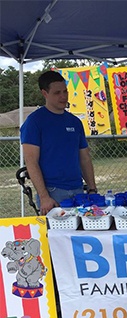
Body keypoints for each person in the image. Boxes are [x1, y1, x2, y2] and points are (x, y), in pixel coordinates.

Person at [20, 70, 97, 215]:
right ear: (45, 93)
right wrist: (44, 196)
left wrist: (92, 189)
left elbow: (84, 158)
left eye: (65, 91)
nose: (63, 96)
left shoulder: (75, 122)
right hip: (52, 192)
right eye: (57, 93)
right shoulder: (35, 122)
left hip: (78, 190)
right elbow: (31, 162)